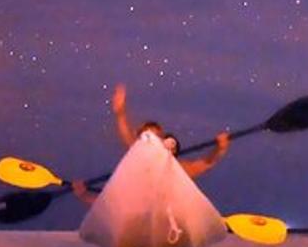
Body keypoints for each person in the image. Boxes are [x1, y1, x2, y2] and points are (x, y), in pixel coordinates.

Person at [72, 84, 230, 205]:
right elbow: (113, 206)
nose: (149, 142)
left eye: (154, 138)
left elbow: (206, 163)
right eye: (145, 138)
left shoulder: (177, 169)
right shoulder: (135, 172)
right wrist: (83, 195)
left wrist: (220, 147)